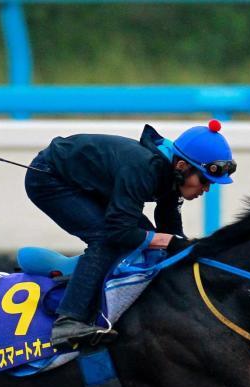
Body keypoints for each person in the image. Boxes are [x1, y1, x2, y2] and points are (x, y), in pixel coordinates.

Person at [24, 119, 236, 350]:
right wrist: (169, 241)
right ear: (182, 166)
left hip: (83, 182)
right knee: (107, 239)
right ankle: (68, 321)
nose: (205, 189)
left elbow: (170, 232)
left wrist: (187, 251)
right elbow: (120, 231)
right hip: (49, 178)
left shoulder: (171, 176)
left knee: (147, 240)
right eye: (204, 180)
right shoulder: (144, 169)